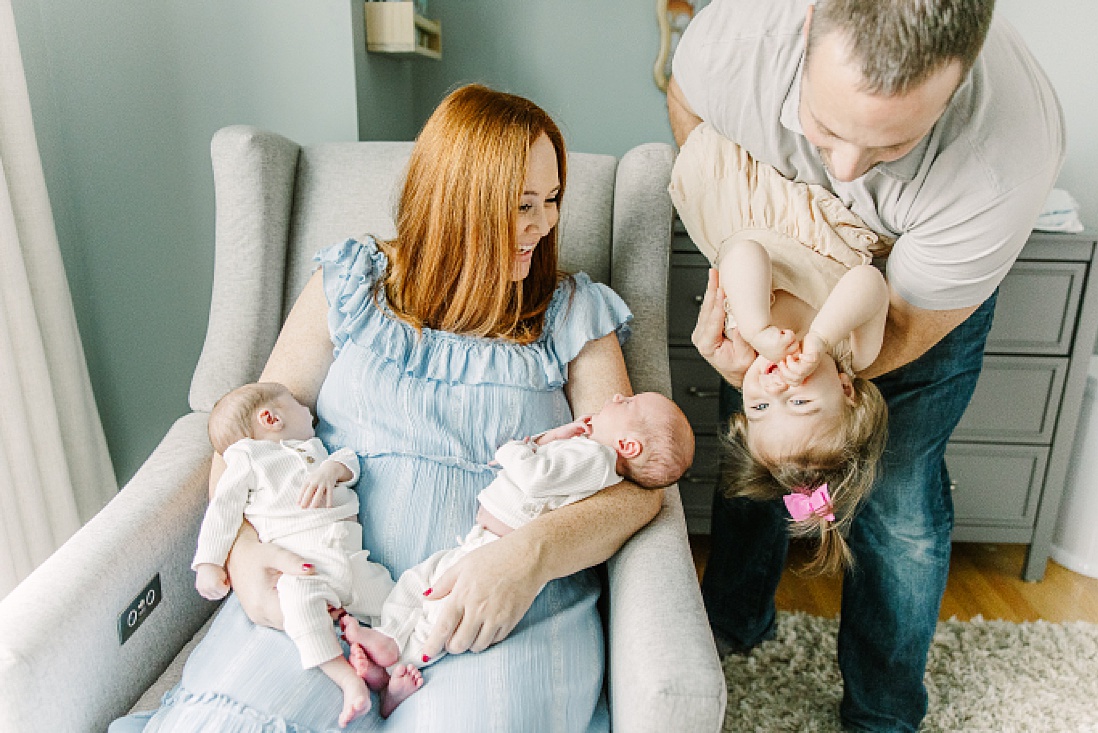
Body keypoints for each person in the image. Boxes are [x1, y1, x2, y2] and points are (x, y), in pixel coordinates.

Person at [113, 83, 662, 732]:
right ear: (460, 204)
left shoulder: (574, 313)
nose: (543, 226)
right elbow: (246, 437)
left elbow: (637, 488)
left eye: (552, 200)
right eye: (522, 205)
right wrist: (242, 549)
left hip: (491, 600)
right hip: (325, 577)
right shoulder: (349, 282)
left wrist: (528, 557)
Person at [667, 0, 1064, 730]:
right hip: (786, 281)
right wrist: (734, 233)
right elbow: (691, 115)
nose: (845, 170)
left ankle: (882, 709)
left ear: (956, 89)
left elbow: (898, 315)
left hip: (898, 300)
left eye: (889, 147)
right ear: (806, 30)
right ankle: (733, 617)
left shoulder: (1004, 159)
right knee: (766, 468)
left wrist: (814, 370)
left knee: (899, 500)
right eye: (825, 129)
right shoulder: (743, 35)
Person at [670, 126, 890, 575]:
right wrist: (822, 339)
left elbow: (745, 251)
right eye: (800, 401)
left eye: (760, 406)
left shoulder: (749, 340)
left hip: (742, 195)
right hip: (812, 211)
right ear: (847, 391)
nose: (775, 387)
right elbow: (870, 284)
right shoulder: (856, 355)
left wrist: (757, 324)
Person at [372, 391, 694, 692]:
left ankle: (398, 668)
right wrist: (552, 437)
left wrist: (511, 449)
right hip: (483, 539)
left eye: (628, 404)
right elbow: (551, 467)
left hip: (494, 548)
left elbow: (536, 477)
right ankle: (387, 636)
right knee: (421, 581)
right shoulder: (589, 452)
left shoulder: (595, 458)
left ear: (628, 446)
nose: (617, 396)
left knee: (443, 609)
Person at [191, 382, 415, 727]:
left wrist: (329, 471)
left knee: (399, 603)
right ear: (270, 417)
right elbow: (223, 509)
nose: (308, 411)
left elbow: (348, 463)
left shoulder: (313, 449)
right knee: (297, 603)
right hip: (306, 568)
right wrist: (208, 563)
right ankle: (346, 678)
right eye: (297, 405)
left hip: (354, 561)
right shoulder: (249, 457)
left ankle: (389, 677)